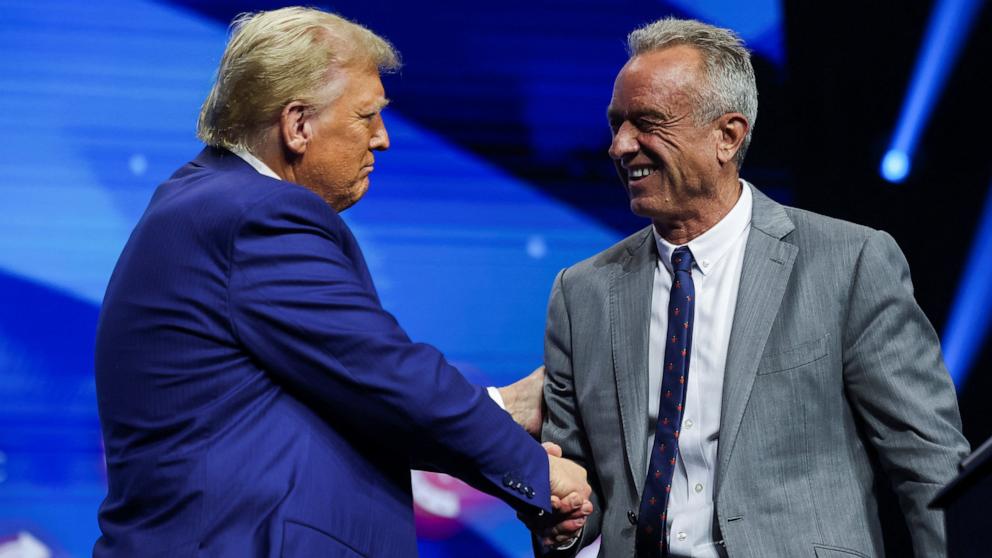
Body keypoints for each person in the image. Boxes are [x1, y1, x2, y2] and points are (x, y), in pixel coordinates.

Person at [93, 7, 590, 557]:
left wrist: (502, 408)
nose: (382, 139)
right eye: (366, 116)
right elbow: (380, 374)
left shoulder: (209, 202)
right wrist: (535, 478)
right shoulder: (256, 216)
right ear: (298, 124)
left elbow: (338, 397)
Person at [537, 17, 969, 558]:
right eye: (616, 123)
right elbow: (575, 476)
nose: (621, 146)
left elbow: (926, 460)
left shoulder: (848, 261)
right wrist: (565, 522)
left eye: (646, 123)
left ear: (727, 135)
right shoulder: (582, 293)